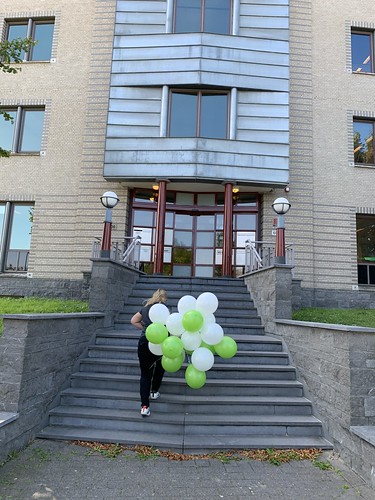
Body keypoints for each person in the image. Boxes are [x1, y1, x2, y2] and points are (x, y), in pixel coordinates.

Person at [130, 288, 167, 417]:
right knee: (160, 367)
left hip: (144, 342)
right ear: (164, 298)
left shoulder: (145, 309)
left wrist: (146, 328)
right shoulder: (164, 310)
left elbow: (133, 320)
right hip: (161, 343)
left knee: (145, 374)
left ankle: (144, 406)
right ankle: (154, 391)